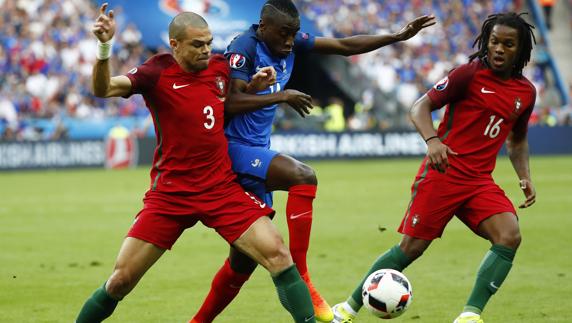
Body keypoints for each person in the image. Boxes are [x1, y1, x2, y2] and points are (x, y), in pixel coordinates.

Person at [190, 1, 435, 322]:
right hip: (232, 149)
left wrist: (397, 36)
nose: (290, 42)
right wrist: (282, 95)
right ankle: (304, 275)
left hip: (256, 149)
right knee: (302, 175)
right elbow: (231, 102)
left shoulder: (288, 43)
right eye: (283, 34)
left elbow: (345, 47)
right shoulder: (245, 47)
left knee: (243, 262)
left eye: (293, 35)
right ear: (264, 28)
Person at [76, 3, 317, 323]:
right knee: (120, 281)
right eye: (197, 44)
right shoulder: (155, 71)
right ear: (174, 44)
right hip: (171, 193)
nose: (206, 50)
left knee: (279, 256)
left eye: (208, 42)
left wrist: (257, 84)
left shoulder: (219, 68)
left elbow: (233, 101)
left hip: (219, 187)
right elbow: (103, 88)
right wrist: (105, 47)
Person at [331, 12, 537, 323]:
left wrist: (524, 177)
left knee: (509, 236)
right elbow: (420, 107)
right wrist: (433, 140)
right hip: (443, 173)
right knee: (410, 249)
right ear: (486, 42)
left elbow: (517, 140)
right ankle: (347, 309)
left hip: (479, 182)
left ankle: (470, 315)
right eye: (494, 41)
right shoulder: (467, 75)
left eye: (508, 44)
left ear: (519, 50)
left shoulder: (526, 92)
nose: (498, 49)